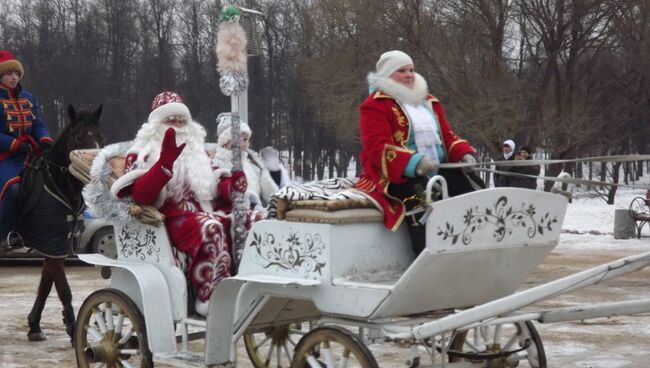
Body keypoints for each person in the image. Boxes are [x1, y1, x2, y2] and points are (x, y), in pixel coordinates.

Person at [112, 92, 261, 316]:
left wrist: (233, 185)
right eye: (171, 120)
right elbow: (141, 196)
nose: (178, 125)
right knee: (211, 227)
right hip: (171, 219)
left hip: (210, 212)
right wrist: (164, 164)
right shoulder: (141, 154)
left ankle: (254, 285)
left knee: (257, 220)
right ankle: (212, 296)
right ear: (155, 124)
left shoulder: (198, 154)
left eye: (182, 120)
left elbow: (216, 186)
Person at [354, 50, 484, 255]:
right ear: (388, 75)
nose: (409, 75)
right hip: (395, 176)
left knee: (472, 187)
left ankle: (475, 247)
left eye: (412, 70)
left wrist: (463, 154)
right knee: (422, 198)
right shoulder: (375, 105)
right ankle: (426, 256)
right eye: (402, 71)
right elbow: (376, 147)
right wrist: (414, 163)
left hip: (435, 170)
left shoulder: (429, 102)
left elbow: (447, 136)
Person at [0, 50, 53, 247]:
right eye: (8, 73)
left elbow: (37, 124)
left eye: (16, 73)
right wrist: (14, 144)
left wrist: (45, 140)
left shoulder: (29, 97)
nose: (13, 77)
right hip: (5, 157)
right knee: (13, 188)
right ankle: (4, 234)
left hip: (31, 153)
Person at [213, 113, 279, 211]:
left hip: (258, 216)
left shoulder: (253, 166)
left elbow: (270, 191)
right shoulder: (217, 165)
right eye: (243, 139)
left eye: (247, 140)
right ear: (228, 140)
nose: (246, 144)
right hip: (232, 216)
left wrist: (281, 202)